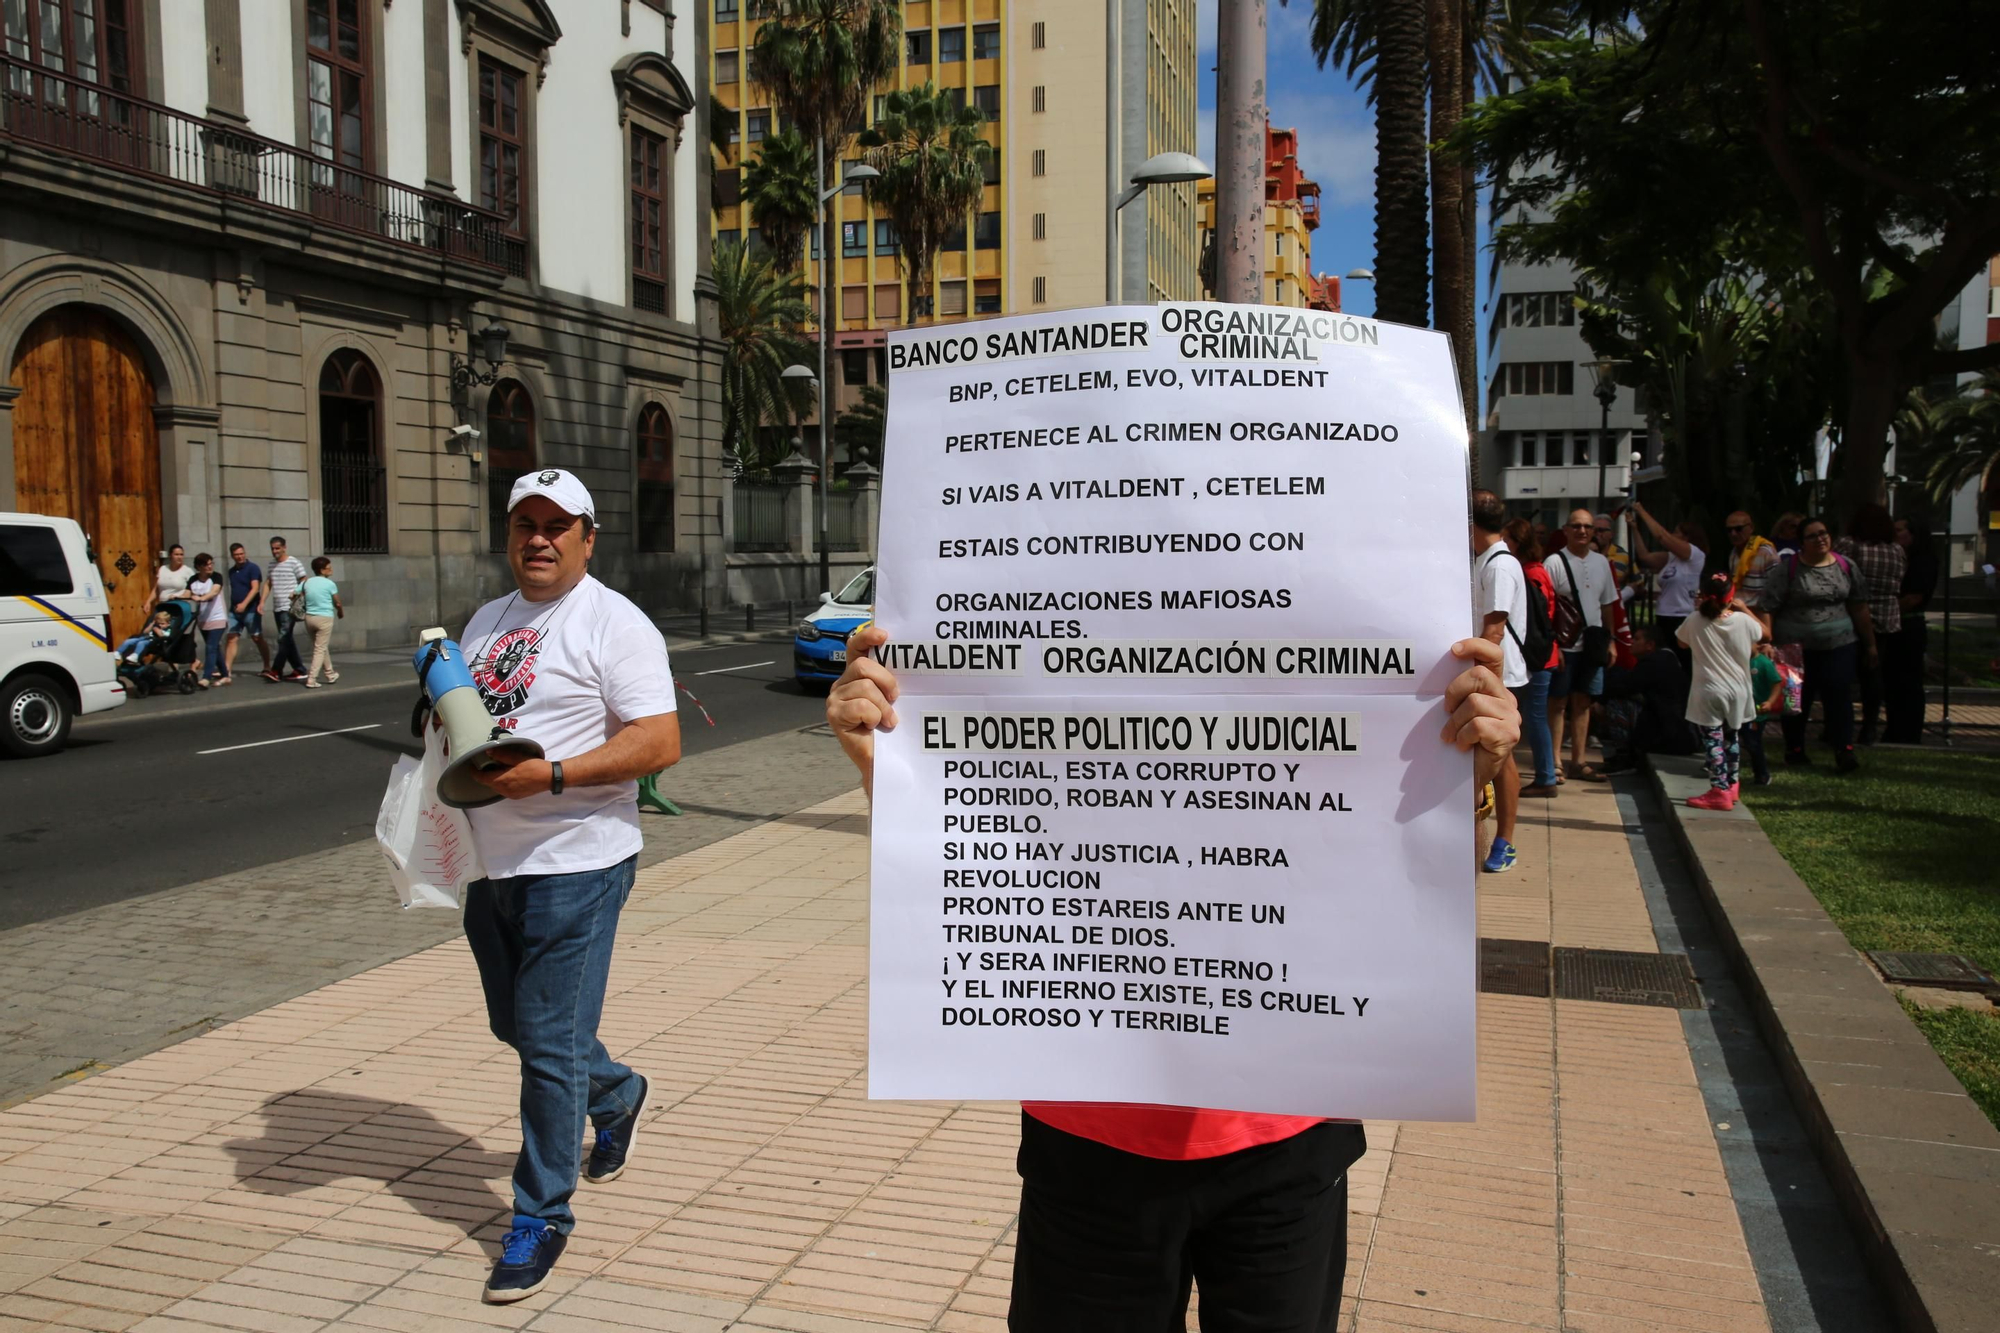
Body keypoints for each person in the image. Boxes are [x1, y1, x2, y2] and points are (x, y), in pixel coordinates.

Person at [826, 624, 1520, 1332]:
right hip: (1089, 1134)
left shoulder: (1328, 627)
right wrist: (895, 765)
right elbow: (970, 842)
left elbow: (1417, 890)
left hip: (1284, 1132)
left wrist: (1464, 780)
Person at [454, 469, 682, 1304]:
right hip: (493, 860)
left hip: (579, 858)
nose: (539, 538)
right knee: (517, 1023)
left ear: (589, 537)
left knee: (548, 1041)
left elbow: (659, 741)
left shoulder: (615, 623)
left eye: (558, 525)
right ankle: (617, 1094)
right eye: (526, 522)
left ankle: (540, 1213)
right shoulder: (487, 620)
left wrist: (551, 775)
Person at [1757, 515, 1876, 773]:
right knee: (1796, 699)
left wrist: (1870, 644)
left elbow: (1859, 606)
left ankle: (1844, 749)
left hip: (1840, 643)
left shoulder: (1846, 566)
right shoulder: (1787, 569)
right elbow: (1768, 606)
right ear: (1801, 542)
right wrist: (1767, 641)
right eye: (1812, 535)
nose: (1820, 539)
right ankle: (1795, 749)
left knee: (1839, 695)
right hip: (1793, 646)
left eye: (1823, 533)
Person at [1472, 490, 1526, 871]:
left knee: (1503, 761)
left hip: (1502, 677)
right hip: (1493, 676)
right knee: (1497, 759)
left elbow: (1494, 628)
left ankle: (1505, 842)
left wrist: (1475, 675)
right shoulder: (1485, 560)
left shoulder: (1499, 566)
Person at [1544, 508, 1619, 782]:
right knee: (1558, 703)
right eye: (1576, 526)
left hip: (1592, 644)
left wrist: (1610, 642)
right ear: (1566, 529)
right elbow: (1546, 607)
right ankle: (1554, 763)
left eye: (1588, 527)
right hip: (1564, 645)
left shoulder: (1601, 563)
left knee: (1583, 703)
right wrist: (1552, 645)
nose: (1583, 531)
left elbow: (1608, 603)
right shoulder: (1554, 562)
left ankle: (1579, 761)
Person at [1678, 573, 1760, 810]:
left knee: (1713, 740)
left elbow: (1682, 642)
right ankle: (1732, 784)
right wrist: (1745, 609)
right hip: (1739, 690)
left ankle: (1719, 789)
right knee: (1731, 737)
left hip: (1710, 690)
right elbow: (1764, 633)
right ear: (1731, 597)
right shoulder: (1743, 621)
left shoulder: (1695, 620)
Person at [1836, 503, 1905, 747]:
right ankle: (1870, 727)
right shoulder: (1896, 550)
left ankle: (1837, 727)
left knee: (1843, 674)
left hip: (1852, 617)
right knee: (1873, 676)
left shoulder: (1849, 546)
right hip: (1886, 619)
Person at [1503, 517, 1562, 797]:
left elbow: (1540, 618)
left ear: (1517, 542)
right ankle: (1546, 774)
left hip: (1537, 657)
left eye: (1508, 539)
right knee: (1535, 717)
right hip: (1541, 655)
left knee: (1536, 718)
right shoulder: (1533, 569)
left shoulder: (1531, 573)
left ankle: (1546, 777)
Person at [1628, 501, 1708, 678]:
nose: (1672, 535)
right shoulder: (1672, 558)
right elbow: (1645, 556)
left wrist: (1642, 511)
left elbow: (1662, 536)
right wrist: (1634, 528)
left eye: (1676, 532)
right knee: (1664, 660)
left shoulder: (1694, 555)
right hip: (1664, 615)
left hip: (1681, 617)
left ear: (1687, 537)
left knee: (1682, 661)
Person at [1599, 625, 1691, 772]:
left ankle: (1626, 756)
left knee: (1617, 705)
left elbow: (1624, 686)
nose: (1631, 642)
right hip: (1679, 731)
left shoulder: (1654, 662)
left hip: (1670, 734)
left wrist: (1599, 700)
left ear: (1650, 645)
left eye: (1636, 639)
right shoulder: (1667, 657)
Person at [1883, 515, 1938, 744]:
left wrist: (1885, 609)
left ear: (1913, 535)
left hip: (1910, 625)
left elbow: (1914, 597)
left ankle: (1910, 731)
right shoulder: (1898, 558)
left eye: (1899, 531)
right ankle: (1895, 728)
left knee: (1910, 682)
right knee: (1893, 682)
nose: (1894, 536)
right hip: (1896, 625)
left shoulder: (1923, 560)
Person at [261, 536, 310, 683]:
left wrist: (297, 595)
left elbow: (304, 580)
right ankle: (299, 669)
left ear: (284, 547)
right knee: (287, 640)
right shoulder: (271, 564)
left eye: (277, 548)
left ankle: (276, 670)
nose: (274, 551)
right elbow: (268, 583)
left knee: (283, 639)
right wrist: (262, 601)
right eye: (272, 548)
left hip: (289, 607)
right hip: (277, 607)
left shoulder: (293, 562)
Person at [222, 543, 269, 681]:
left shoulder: (252, 568)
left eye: (242, 553)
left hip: (251, 610)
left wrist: (244, 604)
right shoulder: (231, 571)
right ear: (232, 556)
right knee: (231, 638)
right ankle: (227, 670)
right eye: (236, 554)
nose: (240, 557)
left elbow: (255, 588)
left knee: (257, 638)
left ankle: (267, 665)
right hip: (235, 610)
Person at [1744, 636, 1784, 786]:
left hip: (1757, 713)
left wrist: (1770, 702)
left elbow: (1776, 684)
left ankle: (1762, 775)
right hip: (1740, 710)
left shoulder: (1763, 663)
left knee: (1753, 743)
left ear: (1757, 644)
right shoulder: (1738, 661)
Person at [186, 553, 228, 686]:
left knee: (210, 647)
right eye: (206, 564)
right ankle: (226, 675)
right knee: (215, 648)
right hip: (203, 620)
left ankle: (206, 677)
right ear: (199, 567)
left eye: (211, 563)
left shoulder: (216, 577)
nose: (210, 567)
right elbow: (187, 593)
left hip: (218, 618)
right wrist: (174, 596)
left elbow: (214, 591)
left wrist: (202, 598)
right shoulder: (193, 579)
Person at [301, 556, 343, 688]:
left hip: (309, 618)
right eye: (328, 568)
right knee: (319, 649)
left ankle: (330, 674)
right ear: (322, 570)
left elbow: (293, 594)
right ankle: (311, 679)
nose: (331, 570)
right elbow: (337, 601)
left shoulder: (307, 582)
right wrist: (340, 611)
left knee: (321, 646)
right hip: (324, 618)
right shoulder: (330, 584)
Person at [1724, 511, 1779, 608]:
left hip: (1759, 611)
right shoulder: (1733, 553)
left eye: (1738, 529)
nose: (1733, 534)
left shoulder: (1765, 552)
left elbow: (1777, 587)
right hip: (1738, 610)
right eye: (1729, 530)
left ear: (1751, 528)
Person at [142, 544, 194, 618]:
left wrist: (179, 597)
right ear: (170, 556)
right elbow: (156, 589)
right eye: (176, 554)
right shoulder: (163, 569)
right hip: (163, 606)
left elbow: (192, 590)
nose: (179, 557)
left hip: (178, 606)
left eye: (181, 555)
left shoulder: (187, 571)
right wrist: (148, 602)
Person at [1593, 513, 1633, 589]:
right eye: (1594, 530)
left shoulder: (1625, 557)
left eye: (1601, 530)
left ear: (1611, 534)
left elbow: (1638, 586)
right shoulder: (1583, 554)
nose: (1597, 534)